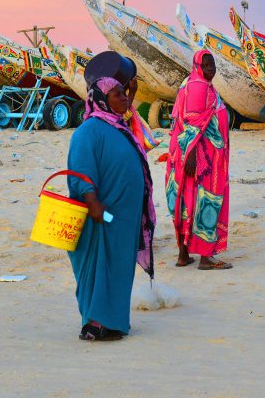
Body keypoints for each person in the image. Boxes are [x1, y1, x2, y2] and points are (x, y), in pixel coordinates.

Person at [67, 74, 156, 341]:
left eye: (124, 93)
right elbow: (80, 171)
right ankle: (94, 323)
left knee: (119, 267)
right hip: (101, 214)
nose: (124, 97)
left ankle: (114, 322)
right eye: (117, 94)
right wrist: (91, 200)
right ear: (102, 100)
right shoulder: (89, 130)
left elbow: (141, 133)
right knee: (99, 264)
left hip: (122, 217)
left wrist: (131, 90)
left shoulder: (119, 125)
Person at [166, 49, 232, 270]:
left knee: (187, 200)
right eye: (206, 65)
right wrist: (191, 157)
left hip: (195, 156)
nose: (210, 69)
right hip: (201, 159)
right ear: (197, 66)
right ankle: (205, 256)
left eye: (212, 64)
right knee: (207, 199)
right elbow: (191, 125)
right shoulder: (198, 86)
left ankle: (184, 254)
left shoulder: (193, 82)